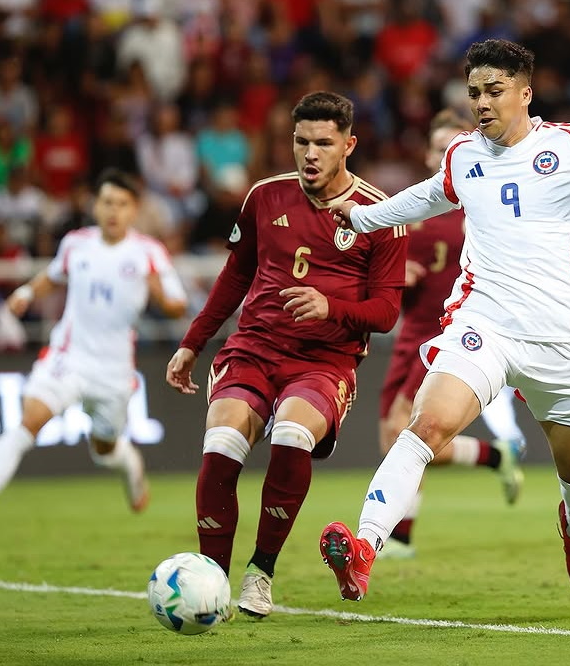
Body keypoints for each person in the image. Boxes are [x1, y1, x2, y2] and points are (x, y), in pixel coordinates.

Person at [319, 39, 570, 601]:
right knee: (425, 428)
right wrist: (364, 217)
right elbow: (423, 199)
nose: (482, 103)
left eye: (494, 91)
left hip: (558, 341)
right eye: (473, 93)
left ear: (525, 93)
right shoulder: (463, 155)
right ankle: (365, 548)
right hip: (483, 324)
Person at [164, 92, 408, 618]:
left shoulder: (381, 213)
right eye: (301, 142)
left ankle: (261, 572)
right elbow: (236, 276)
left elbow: (387, 311)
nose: (310, 154)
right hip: (253, 348)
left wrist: (330, 306)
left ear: (349, 144)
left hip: (325, 360)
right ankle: (211, 580)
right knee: (223, 444)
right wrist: (193, 341)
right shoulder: (264, 197)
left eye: (323, 143)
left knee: (292, 435)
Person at [0, 168, 188, 537]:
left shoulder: (149, 253)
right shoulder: (77, 243)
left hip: (112, 372)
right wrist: (27, 293)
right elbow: (53, 274)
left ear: (134, 210)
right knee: (28, 421)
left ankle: (130, 465)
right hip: (68, 357)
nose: (113, 211)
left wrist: (159, 294)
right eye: (107, 202)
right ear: (96, 205)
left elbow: (178, 305)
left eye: (122, 204)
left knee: (104, 449)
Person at [377, 108, 527, 561]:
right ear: (427, 153)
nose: (445, 155)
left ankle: (399, 534)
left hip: (448, 331)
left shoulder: (478, 207)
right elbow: (386, 268)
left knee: (401, 428)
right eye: (438, 147)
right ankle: (494, 456)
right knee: (396, 434)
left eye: (452, 146)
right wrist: (394, 277)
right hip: (409, 331)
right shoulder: (415, 205)